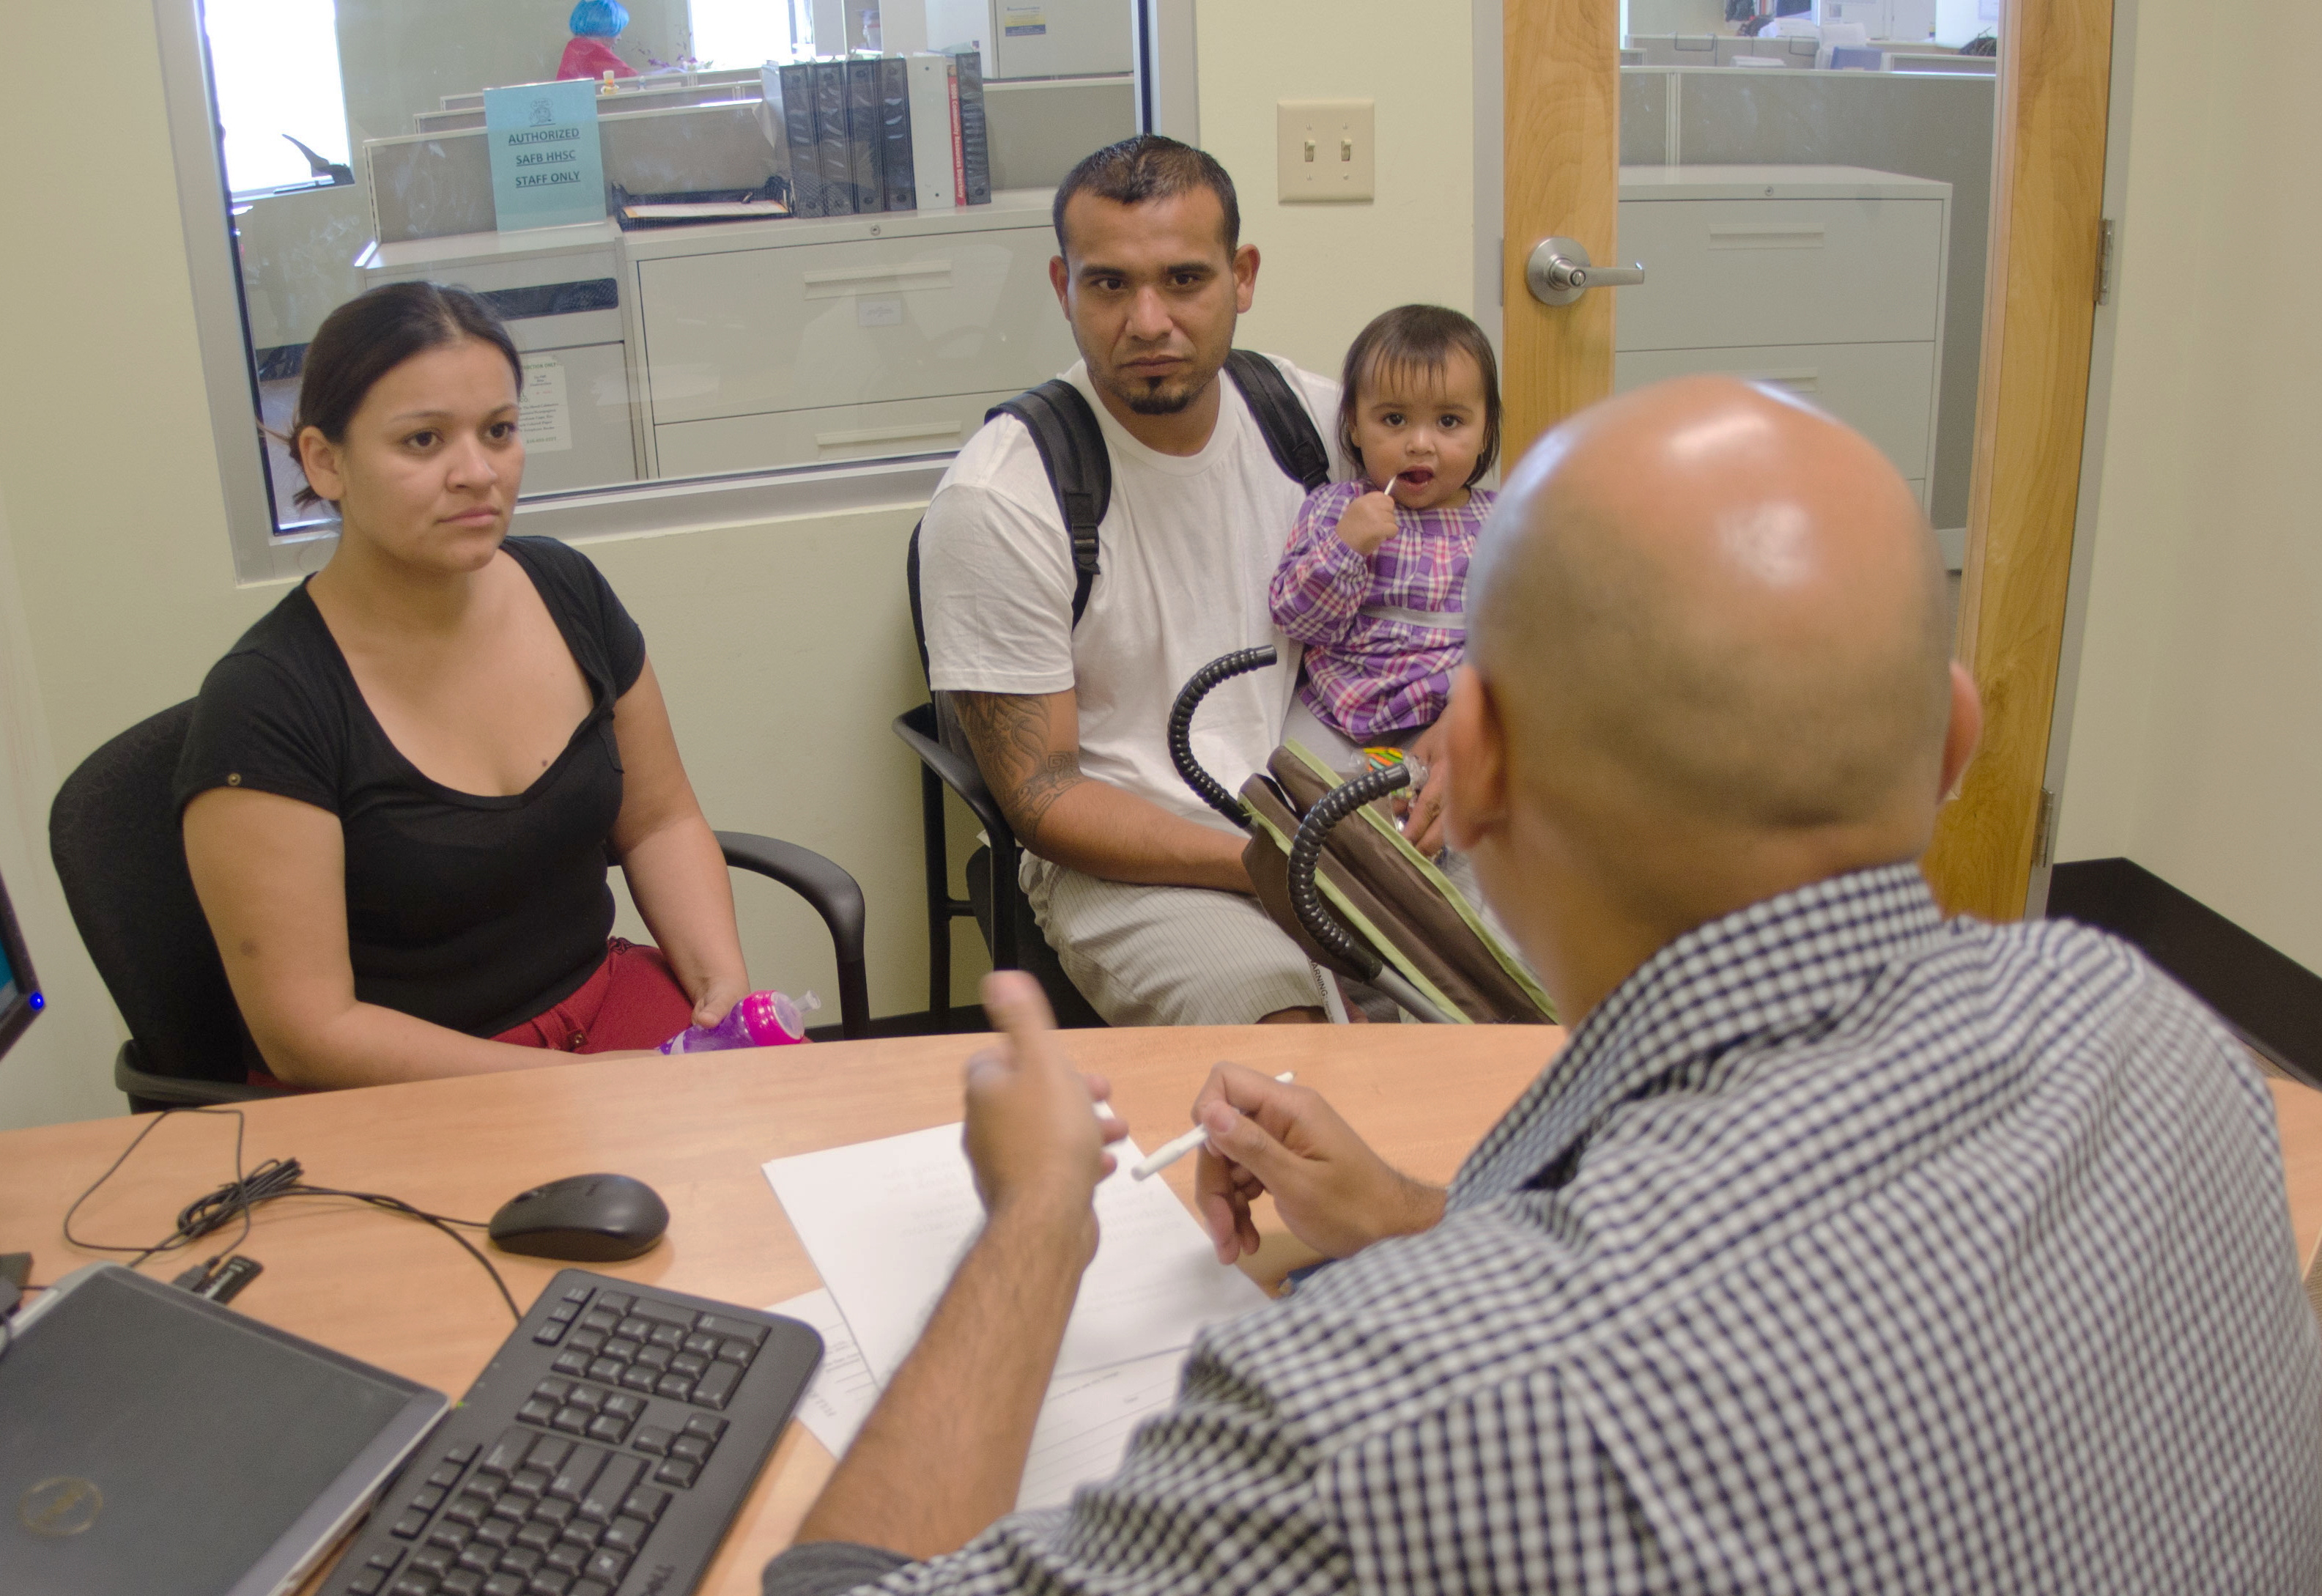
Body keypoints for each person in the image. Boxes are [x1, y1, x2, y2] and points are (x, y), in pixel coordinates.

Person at [762, 377, 2322, 1594]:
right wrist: (1427, 1224)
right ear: (1955, 742)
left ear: (1473, 761)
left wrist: (1039, 1216)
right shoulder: (2161, 1040)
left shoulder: (1384, 1420)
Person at [920, 136, 1457, 1028]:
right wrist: (1264, 861)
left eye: (1183, 279)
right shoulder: (1000, 499)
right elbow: (1043, 796)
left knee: (1540, 980)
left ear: (1241, 277)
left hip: (1336, 806)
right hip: (1139, 858)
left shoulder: (1316, 423)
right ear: (1063, 288)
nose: (1148, 322)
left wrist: (1463, 718)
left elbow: (1476, 582)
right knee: (1291, 1048)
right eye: (1108, 284)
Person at [178, 282, 748, 1089]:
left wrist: (719, 982)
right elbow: (310, 1034)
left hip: (606, 1019)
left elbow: (658, 822)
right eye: (422, 441)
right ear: (324, 460)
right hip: (415, 1086)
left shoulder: (567, 589)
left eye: (499, 431)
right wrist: (568, 1090)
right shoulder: (266, 704)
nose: (478, 473)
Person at [1268, 304, 1500, 765]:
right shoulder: (1334, 508)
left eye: (1449, 422)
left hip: (1436, 723)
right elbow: (1296, 620)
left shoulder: (1503, 525)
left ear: (1486, 427)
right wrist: (1345, 548)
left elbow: (1523, 639)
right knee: (1289, 779)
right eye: (1394, 420)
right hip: (1332, 712)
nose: (1420, 443)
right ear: (1354, 424)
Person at [557, 0, 638, 82]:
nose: (619, 38)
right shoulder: (591, 50)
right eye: (617, 32)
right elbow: (632, 80)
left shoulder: (575, 45)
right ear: (605, 29)